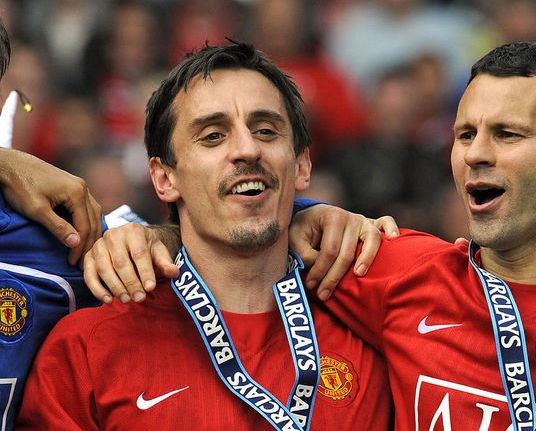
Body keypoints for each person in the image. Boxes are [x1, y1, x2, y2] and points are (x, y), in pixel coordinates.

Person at [82, 42, 536, 431]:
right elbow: (238, 239)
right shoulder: (392, 268)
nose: (475, 154)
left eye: (507, 135)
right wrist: (145, 236)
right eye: (464, 134)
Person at [16, 43, 393, 430]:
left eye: (266, 130)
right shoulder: (87, 349)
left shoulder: (375, 326)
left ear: (301, 165)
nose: (247, 149)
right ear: (164, 179)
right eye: (213, 136)